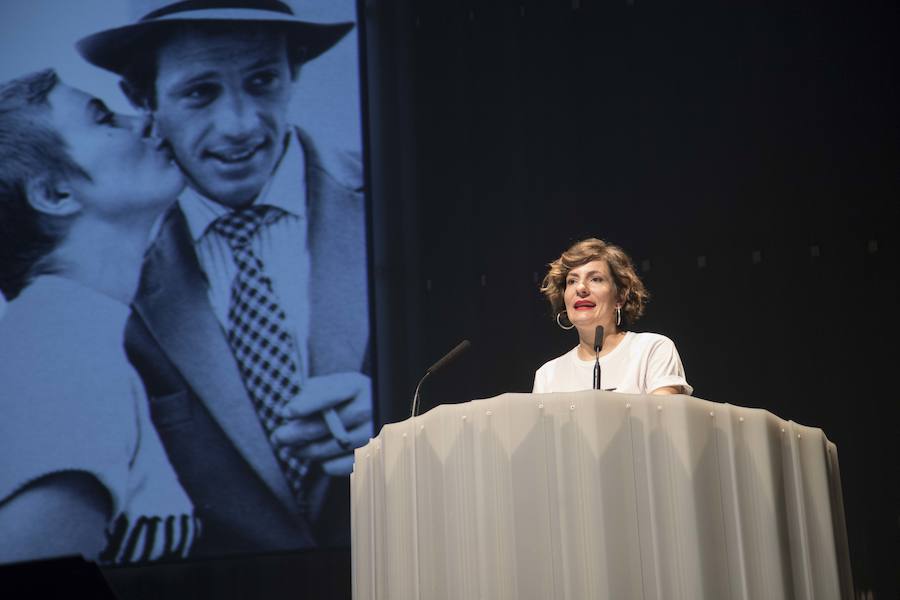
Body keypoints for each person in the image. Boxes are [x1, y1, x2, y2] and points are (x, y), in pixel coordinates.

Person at [76, 0, 371, 553]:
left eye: (262, 81)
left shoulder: (400, 198)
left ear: (293, 74)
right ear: (144, 101)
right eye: (199, 92)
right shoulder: (101, 270)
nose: (238, 125)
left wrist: (408, 416)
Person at [0, 69, 197, 564]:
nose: (144, 122)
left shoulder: (69, 335)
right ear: (54, 194)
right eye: (104, 118)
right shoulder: (61, 354)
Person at [533, 238, 692, 395]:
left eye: (595, 279)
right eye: (572, 281)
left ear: (620, 297)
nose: (581, 288)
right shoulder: (547, 376)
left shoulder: (652, 350)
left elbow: (662, 418)